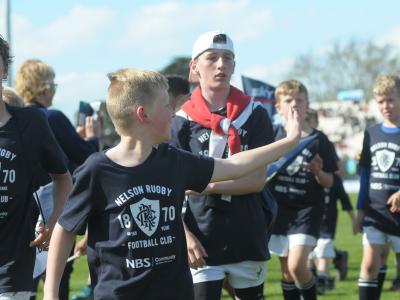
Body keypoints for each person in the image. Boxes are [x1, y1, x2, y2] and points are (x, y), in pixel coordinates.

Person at [43, 68, 301, 300]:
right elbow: (65, 230)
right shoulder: (97, 170)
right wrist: (51, 293)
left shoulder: (174, 161)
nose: (174, 113)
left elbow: (236, 165)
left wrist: (289, 142)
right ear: (143, 114)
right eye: (167, 106)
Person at [170, 30, 275, 300]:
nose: (221, 65)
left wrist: (204, 186)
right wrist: (184, 235)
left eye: (227, 58)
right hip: (200, 236)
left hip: (248, 232)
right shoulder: (180, 122)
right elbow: (169, 188)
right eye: (212, 58)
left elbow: (256, 180)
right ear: (194, 67)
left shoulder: (255, 114)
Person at [0, 35, 72, 300]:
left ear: (4, 70)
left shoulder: (30, 122)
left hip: (12, 268)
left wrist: (53, 223)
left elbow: (63, 179)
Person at [268, 80, 338, 300]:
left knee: (298, 266)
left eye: (299, 100)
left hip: (307, 211)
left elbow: (330, 182)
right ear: (278, 106)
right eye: (288, 100)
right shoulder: (271, 135)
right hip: (278, 211)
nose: (294, 105)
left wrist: (318, 172)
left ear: (308, 104)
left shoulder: (319, 140)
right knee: (287, 272)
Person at [357, 74, 400, 300]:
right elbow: (365, 174)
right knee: (369, 265)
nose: (385, 106)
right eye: (381, 101)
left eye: (391, 100)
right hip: (375, 212)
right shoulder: (371, 133)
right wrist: (360, 210)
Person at [305, 110, 357, 293]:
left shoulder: (323, 143)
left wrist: (354, 218)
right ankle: (337, 258)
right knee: (309, 249)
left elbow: (339, 180)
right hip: (308, 215)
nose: (306, 124)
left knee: (324, 247)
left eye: (309, 120)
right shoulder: (298, 149)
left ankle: (324, 279)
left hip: (327, 216)